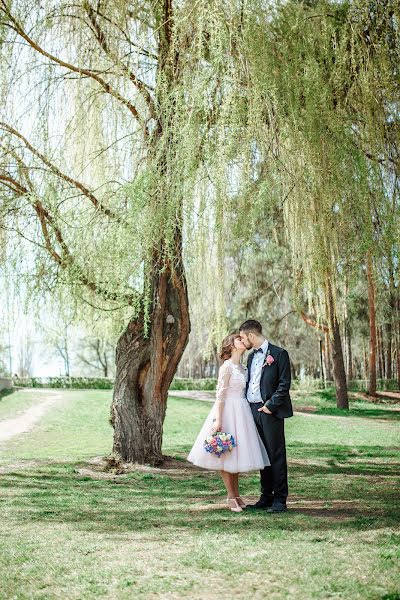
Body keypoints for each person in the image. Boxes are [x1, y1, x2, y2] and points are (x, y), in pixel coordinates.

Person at [187, 332, 270, 512]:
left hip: (242, 412)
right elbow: (220, 395)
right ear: (231, 344)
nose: (242, 341)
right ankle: (230, 497)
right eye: (238, 339)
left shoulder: (243, 368)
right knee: (226, 455)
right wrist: (218, 420)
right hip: (228, 411)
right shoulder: (227, 367)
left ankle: (237, 495)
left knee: (237, 456)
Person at [239, 319, 293, 513]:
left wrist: (270, 405)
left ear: (251, 336)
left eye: (243, 337)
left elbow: (284, 384)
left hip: (270, 411)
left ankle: (280, 499)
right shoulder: (252, 357)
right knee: (262, 455)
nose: (242, 341)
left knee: (275, 454)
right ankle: (266, 496)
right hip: (252, 411)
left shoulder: (279, 354)